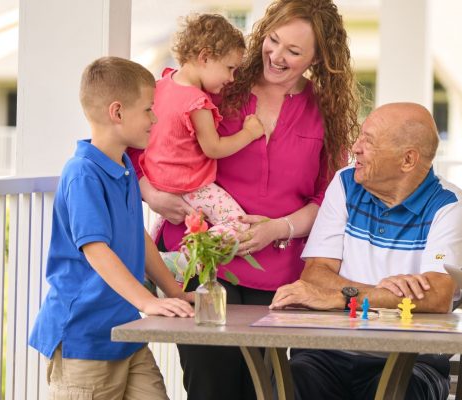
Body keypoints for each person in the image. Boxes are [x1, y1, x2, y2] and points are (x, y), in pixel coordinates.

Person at [128, 1, 360, 398]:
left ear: (319, 58)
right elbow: (141, 144)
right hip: (200, 263)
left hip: (277, 276)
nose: (276, 55)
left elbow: (328, 198)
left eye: (294, 51)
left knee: (262, 390)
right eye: (273, 40)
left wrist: (279, 228)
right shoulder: (217, 87)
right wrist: (152, 193)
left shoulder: (323, 110)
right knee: (209, 384)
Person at [270, 102, 462, 400]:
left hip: (411, 359)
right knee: (291, 382)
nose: (355, 147)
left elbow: (438, 295)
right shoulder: (345, 183)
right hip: (329, 351)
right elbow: (315, 275)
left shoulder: (449, 203)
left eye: (369, 141)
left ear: (407, 160)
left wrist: (338, 297)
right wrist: (384, 292)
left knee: (398, 392)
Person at [28, 57, 195, 399]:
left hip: (125, 334)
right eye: (148, 109)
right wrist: (148, 302)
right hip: (85, 340)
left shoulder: (123, 167)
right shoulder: (83, 173)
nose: (155, 118)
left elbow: (139, 238)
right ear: (117, 112)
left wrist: (173, 291)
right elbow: (96, 250)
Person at [140, 14, 264, 235]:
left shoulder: (162, 85)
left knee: (164, 225)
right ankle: (185, 258)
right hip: (190, 186)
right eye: (229, 68)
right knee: (237, 223)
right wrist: (249, 133)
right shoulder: (197, 102)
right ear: (205, 57)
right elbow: (213, 148)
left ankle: (157, 257)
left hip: (159, 181)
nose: (232, 78)